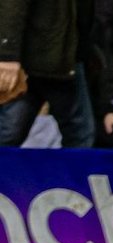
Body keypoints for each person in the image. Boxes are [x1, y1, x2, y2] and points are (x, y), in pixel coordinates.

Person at [0, 0, 97, 148]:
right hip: (47, 54)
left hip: (60, 53)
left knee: (9, 132)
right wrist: (7, 54)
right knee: (80, 134)